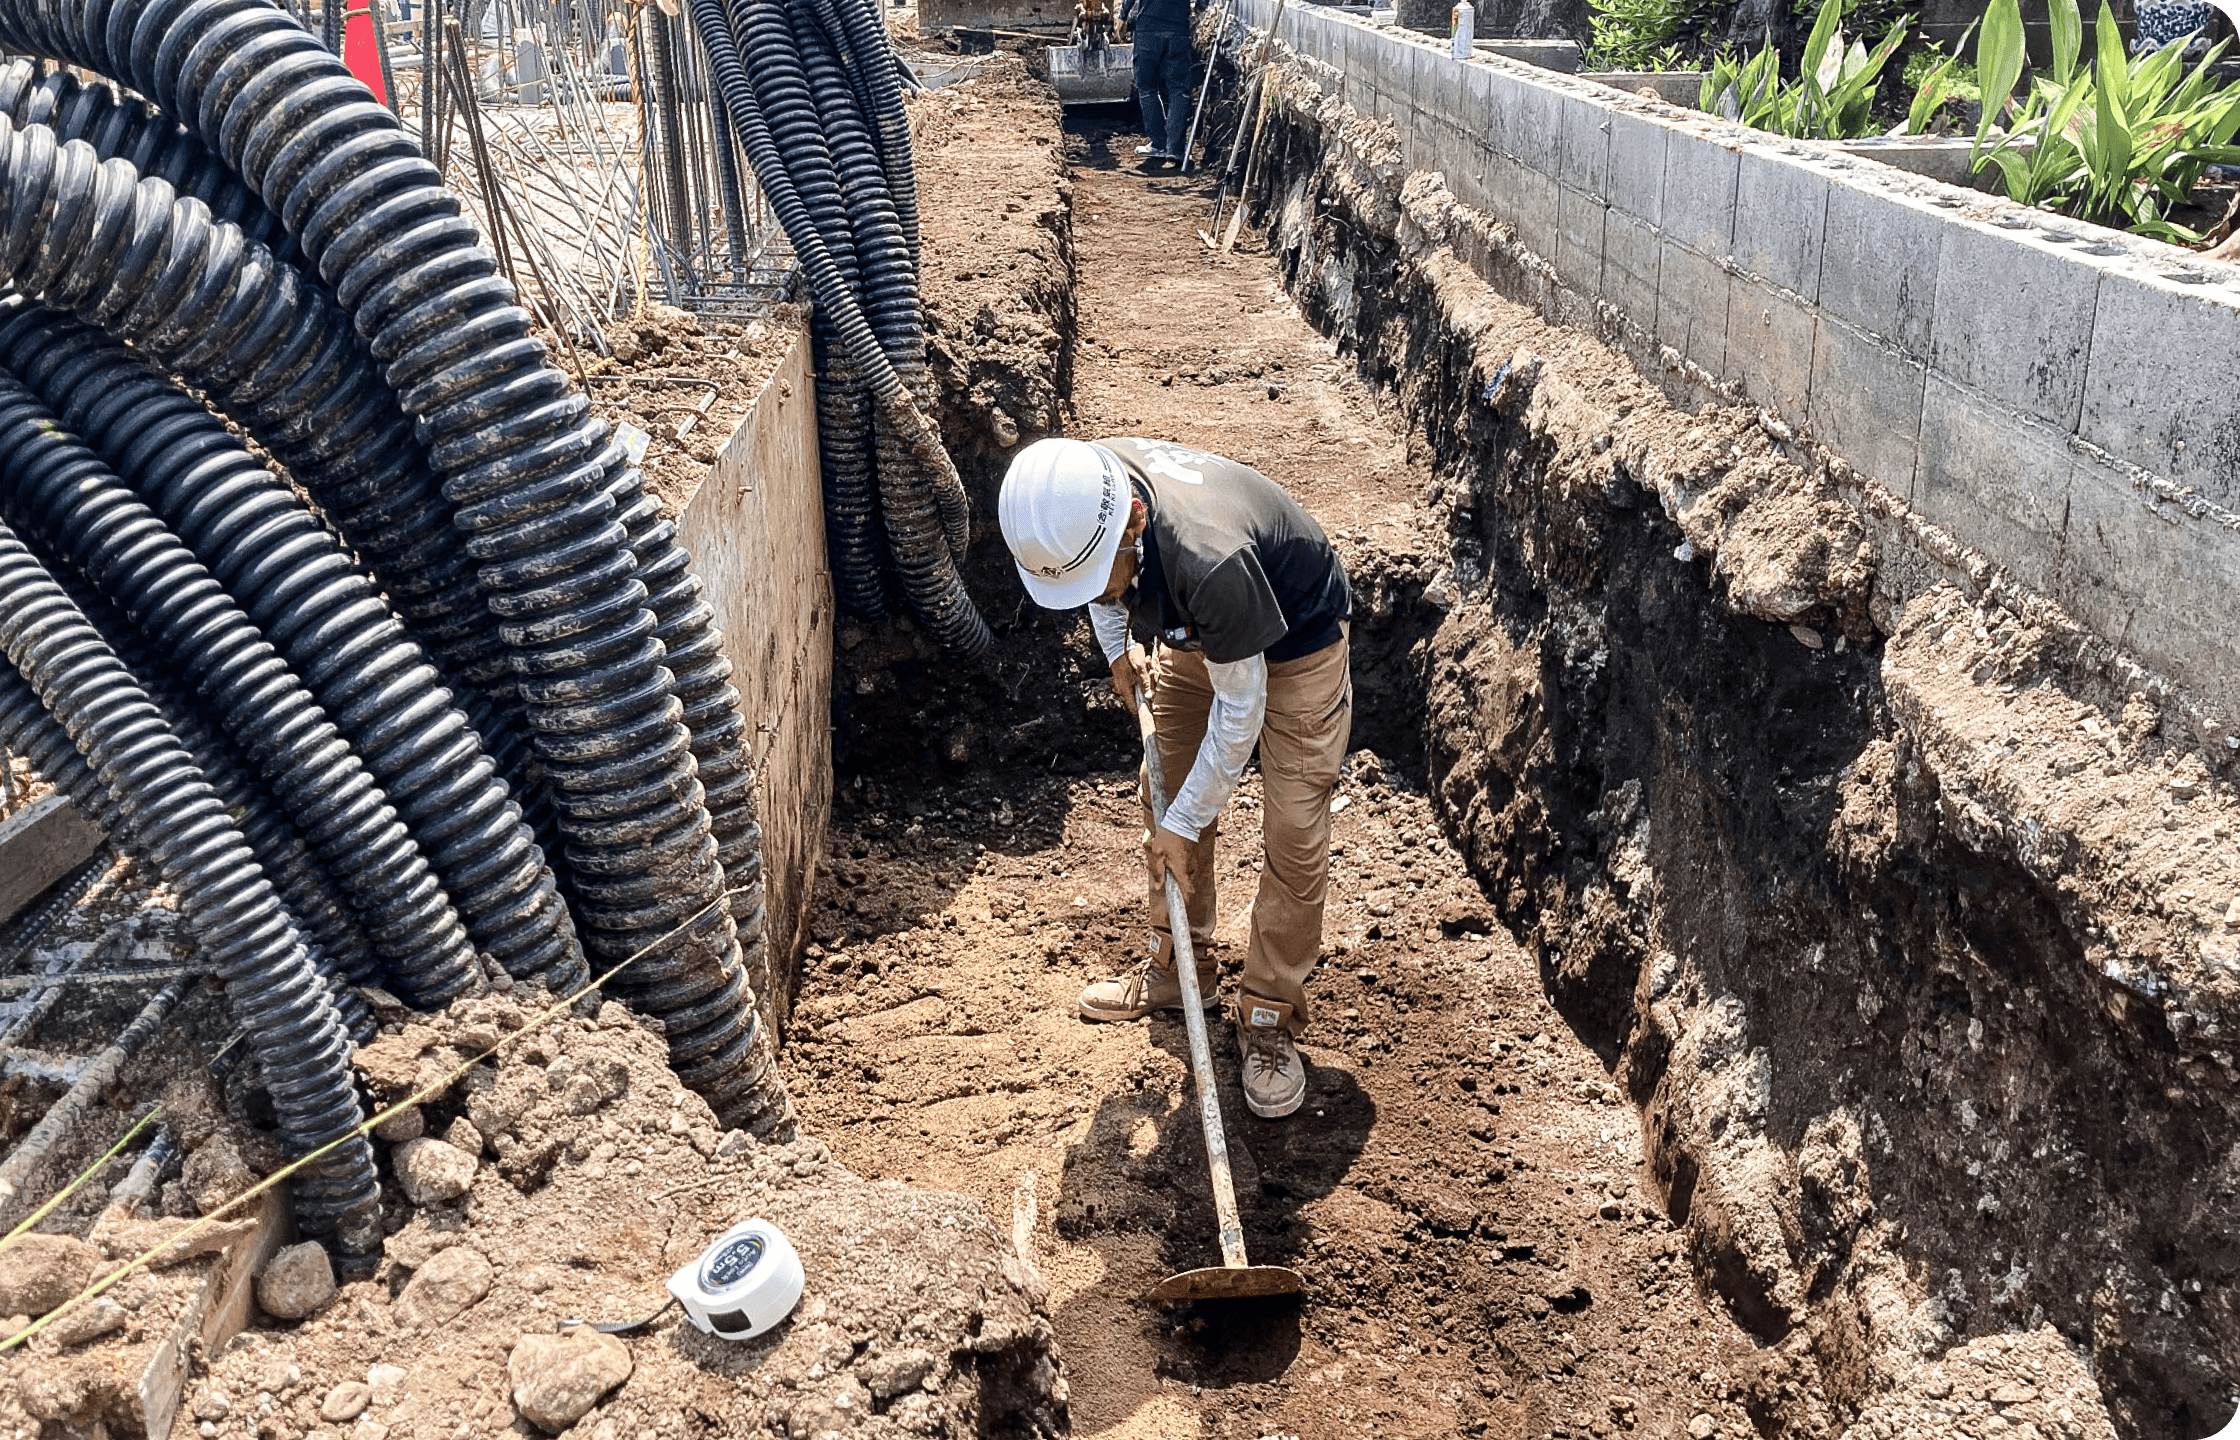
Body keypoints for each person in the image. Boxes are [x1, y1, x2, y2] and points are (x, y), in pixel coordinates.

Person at [998, 437, 1353, 1120]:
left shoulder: (1205, 558)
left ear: (1135, 522)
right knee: (1162, 782)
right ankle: (1176, 969)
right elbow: (1095, 581)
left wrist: (1183, 823)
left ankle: (1269, 1018)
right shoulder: (1078, 491)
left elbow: (1241, 712)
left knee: (1295, 831)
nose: (1097, 592)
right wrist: (1117, 651)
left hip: (1296, 643)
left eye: (1106, 575)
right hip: (1201, 629)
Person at [1122, 0, 1196, 170]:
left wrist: (1122, 15)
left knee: (1147, 88)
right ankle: (1175, 149)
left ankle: (1159, 143)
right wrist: (1199, 8)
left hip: (1148, 28)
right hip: (1178, 29)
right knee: (1179, 90)